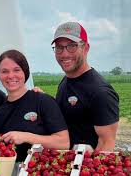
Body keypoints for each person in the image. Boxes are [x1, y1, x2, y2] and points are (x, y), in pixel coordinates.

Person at [51, 21, 119, 151]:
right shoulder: (65, 81)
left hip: (85, 167)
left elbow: (106, 144)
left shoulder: (101, 92)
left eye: (72, 46)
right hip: (64, 164)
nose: (64, 54)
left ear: (86, 48)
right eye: (59, 47)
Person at [0, 49, 69, 165]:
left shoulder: (43, 101)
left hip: (42, 170)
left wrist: (26, 136)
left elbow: (63, 142)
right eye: (5, 71)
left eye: (16, 70)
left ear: (25, 72)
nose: (11, 75)